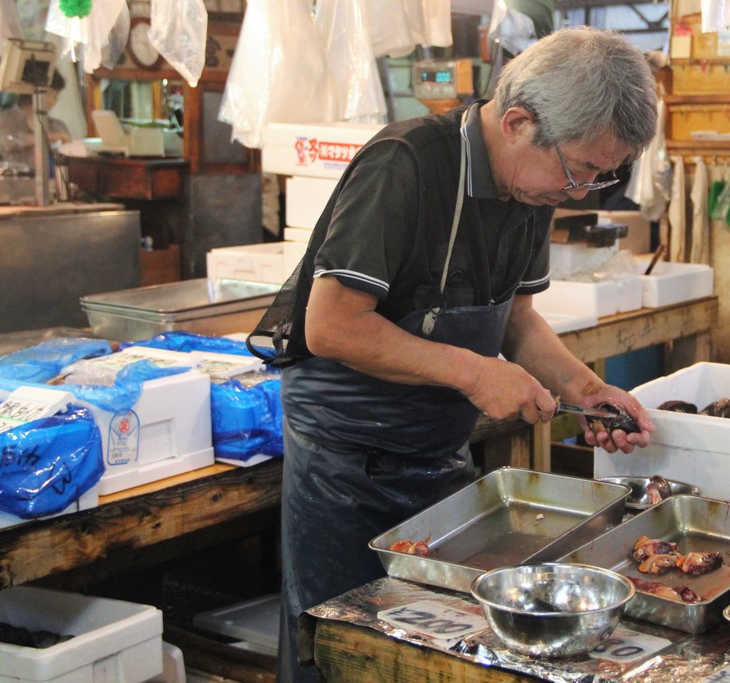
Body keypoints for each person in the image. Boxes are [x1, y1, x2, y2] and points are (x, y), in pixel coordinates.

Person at [258, 26, 659, 682]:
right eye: (579, 169)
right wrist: (473, 372)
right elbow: (330, 325)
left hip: (438, 460)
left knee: (433, 655)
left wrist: (586, 389)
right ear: (519, 121)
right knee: (340, 652)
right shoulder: (406, 164)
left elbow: (517, 319)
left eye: (597, 176)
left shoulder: (533, 191)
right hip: (343, 470)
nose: (581, 190)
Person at [0, 69, 70, 169]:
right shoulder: (9, 118)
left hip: (49, 182)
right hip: (17, 182)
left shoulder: (56, 125)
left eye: (55, 96)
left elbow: (67, 151)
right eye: (48, 94)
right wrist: (48, 137)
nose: (52, 101)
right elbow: (10, 141)